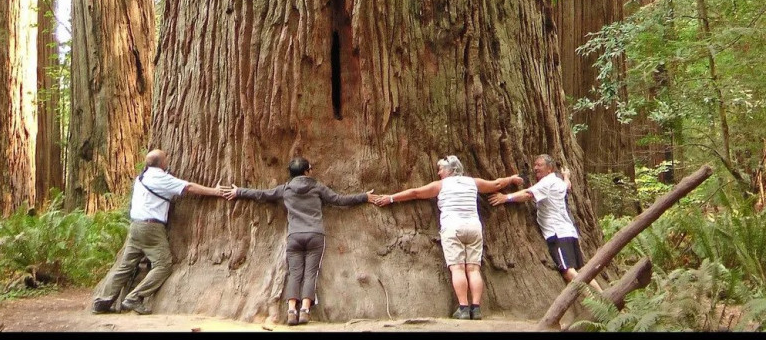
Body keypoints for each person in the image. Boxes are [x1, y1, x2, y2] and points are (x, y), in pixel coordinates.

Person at [224, 156, 379, 326]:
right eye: (310, 168)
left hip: (294, 236)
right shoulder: (317, 187)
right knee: (310, 273)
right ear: (307, 171)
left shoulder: (286, 189)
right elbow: (339, 200)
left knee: (295, 273)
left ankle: (291, 311)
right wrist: (364, 197)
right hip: (315, 235)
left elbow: (262, 194)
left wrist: (239, 192)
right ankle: (305, 310)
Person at [374, 155, 523, 320]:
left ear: (451, 170)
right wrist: (512, 179)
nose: (439, 172)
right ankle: (477, 308)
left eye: (441, 169)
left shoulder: (442, 185)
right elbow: (496, 184)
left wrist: (391, 198)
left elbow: (415, 193)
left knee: (458, 268)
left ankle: (464, 309)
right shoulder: (473, 182)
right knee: (473, 268)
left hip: (453, 228)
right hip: (474, 227)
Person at [92, 149, 233, 315]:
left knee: (125, 266)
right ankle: (135, 297)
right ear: (161, 162)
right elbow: (189, 187)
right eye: (166, 157)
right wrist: (215, 191)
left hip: (136, 227)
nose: (168, 159)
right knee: (164, 265)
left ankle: (102, 301)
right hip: (151, 228)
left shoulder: (141, 177)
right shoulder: (160, 178)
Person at [487, 153, 602, 292]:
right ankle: (603, 295)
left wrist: (505, 197)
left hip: (557, 233)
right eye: (535, 165)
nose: (535, 168)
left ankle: (594, 303)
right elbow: (568, 186)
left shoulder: (547, 182)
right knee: (581, 270)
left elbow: (528, 194)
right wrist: (566, 176)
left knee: (567, 271)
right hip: (569, 231)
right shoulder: (558, 181)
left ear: (550, 169)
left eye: (539, 165)